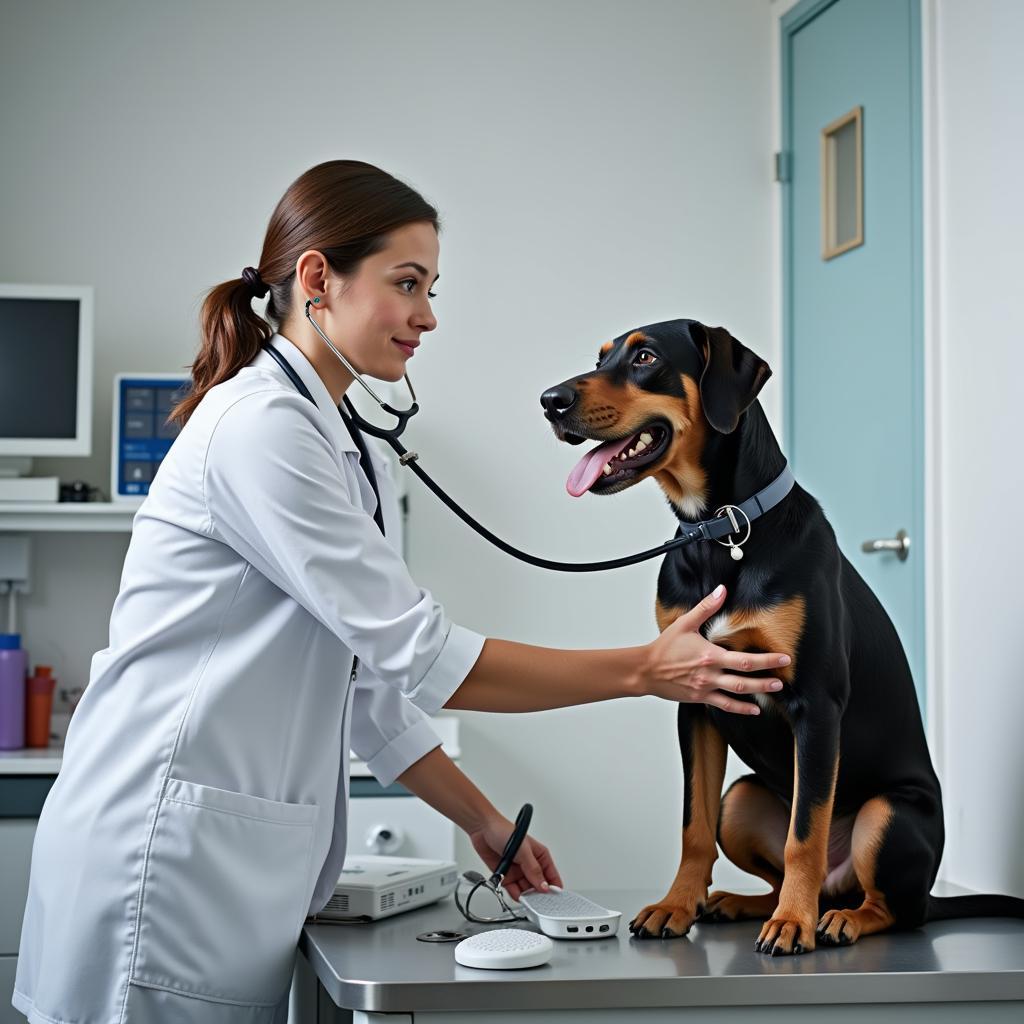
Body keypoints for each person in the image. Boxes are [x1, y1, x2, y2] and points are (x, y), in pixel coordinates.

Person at [13, 160, 790, 1024]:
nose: (428, 316)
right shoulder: (260, 430)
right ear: (317, 280)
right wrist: (647, 668)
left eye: (431, 287)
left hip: (225, 867)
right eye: (407, 283)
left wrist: (486, 822)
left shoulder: (347, 443)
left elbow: (370, 690)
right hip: (160, 862)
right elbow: (425, 657)